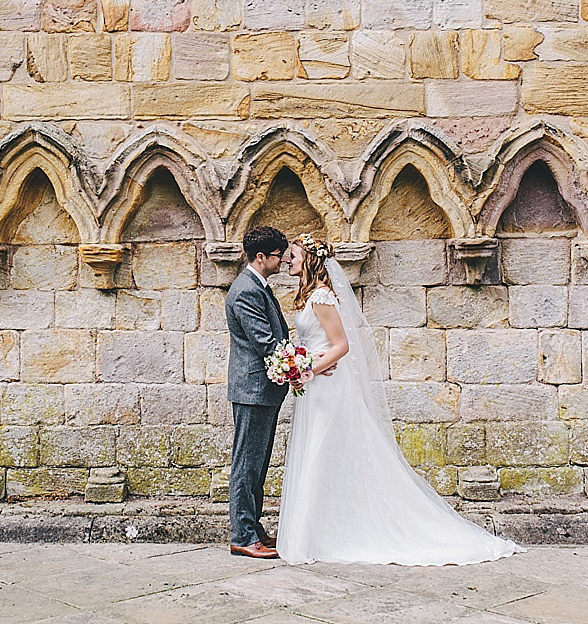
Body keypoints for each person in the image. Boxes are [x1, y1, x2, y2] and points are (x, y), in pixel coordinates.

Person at [276, 233, 525, 565]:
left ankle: (319, 535)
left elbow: (341, 345)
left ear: (309, 259)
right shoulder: (309, 296)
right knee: (318, 451)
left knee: (322, 449)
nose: (287, 260)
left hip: (326, 386)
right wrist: (301, 365)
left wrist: (305, 369)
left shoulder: (321, 297)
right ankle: (318, 530)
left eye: (292, 255)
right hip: (316, 385)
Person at [224, 226, 304, 559]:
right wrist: (300, 367)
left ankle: (254, 529)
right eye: (277, 256)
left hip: (262, 390)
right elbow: (264, 341)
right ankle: (242, 535)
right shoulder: (246, 291)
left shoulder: (258, 287)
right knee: (247, 465)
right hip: (253, 389)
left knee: (257, 465)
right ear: (261, 257)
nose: (281, 261)